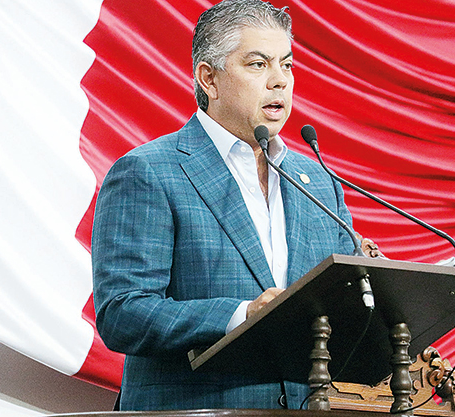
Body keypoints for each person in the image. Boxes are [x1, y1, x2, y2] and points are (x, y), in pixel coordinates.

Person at [91, 0, 358, 410]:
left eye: (287, 65)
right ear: (209, 79)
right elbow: (123, 313)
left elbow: (348, 301)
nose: (279, 81)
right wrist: (241, 315)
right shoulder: (149, 172)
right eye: (258, 64)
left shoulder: (320, 182)